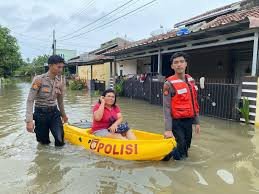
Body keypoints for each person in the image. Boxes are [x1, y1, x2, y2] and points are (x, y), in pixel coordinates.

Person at [163, 52, 200, 160]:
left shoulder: (191, 81)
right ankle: (180, 168)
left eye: (181, 61)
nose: (179, 64)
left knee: (187, 145)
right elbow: (166, 108)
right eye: (176, 62)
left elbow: (194, 102)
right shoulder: (168, 84)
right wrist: (168, 129)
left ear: (186, 64)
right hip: (176, 121)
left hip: (188, 120)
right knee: (182, 145)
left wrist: (197, 122)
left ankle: (168, 154)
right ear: (172, 66)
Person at [25, 55, 68, 146]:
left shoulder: (60, 82)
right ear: (50, 66)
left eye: (62, 67)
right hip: (40, 114)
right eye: (58, 67)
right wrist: (29, 121)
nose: (61, 70)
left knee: (60, 141)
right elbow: (30, 100)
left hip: (54, 113)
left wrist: (64, 115)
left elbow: (60, 101)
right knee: (44, 143)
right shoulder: (38, 80)